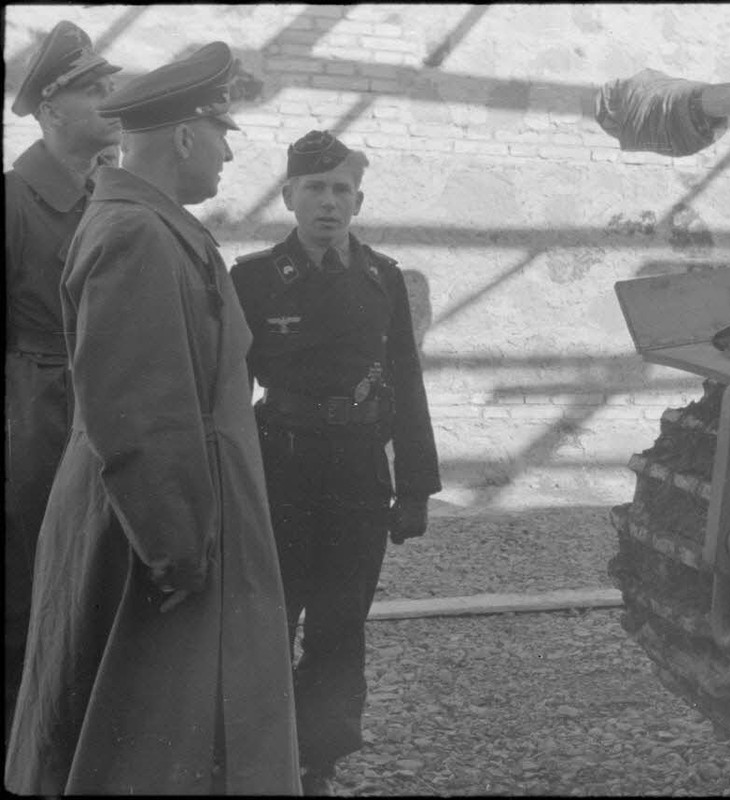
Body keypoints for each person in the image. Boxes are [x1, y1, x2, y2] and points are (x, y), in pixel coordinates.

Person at [3, 42, 302, 795]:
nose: (230, 155)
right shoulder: (136, 234)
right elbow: (140, 413)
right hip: (155, 530)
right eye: (224, 135)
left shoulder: (153, 225)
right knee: (143, 737)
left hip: (180, 510)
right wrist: (175, 548)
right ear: (185, 137)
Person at [230, 130, 442, 794]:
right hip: (280, 466)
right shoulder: (253, 278)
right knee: (271, 613)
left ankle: (317, 760)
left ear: (358, 199)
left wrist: (414, 487)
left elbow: (406, 381)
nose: (329, 203)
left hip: (357, 472)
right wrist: (227, 484)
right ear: (289, 195)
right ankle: (257, 754)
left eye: (341, 190)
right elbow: (230, 390)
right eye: (315, 189)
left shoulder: (383, 278)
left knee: (340, 620)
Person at [4, 20, 122, 747]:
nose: (111, 98)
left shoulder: (113, 196)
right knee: (30, 593)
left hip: (105, 414)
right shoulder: (14, 202)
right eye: (93, 89)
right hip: (35, 424)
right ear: (51, 111)